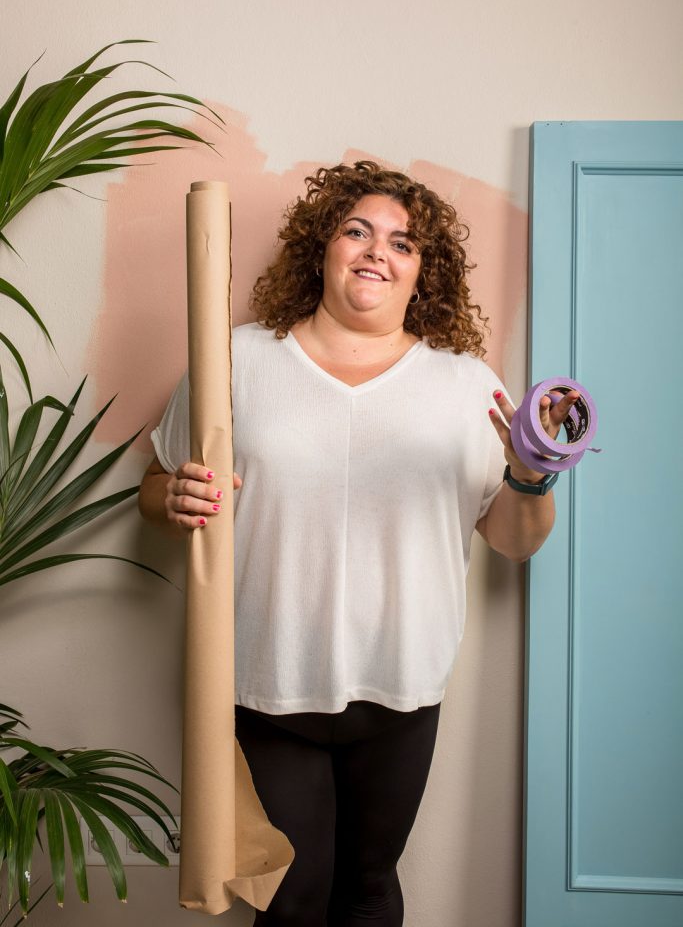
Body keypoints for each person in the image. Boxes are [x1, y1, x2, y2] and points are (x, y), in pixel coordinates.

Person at [138, 161, 576, 927]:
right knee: (291, 900)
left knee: (370, 889)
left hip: (401, 690)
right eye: (357, 231)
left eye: (401, 243)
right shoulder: (237, 359)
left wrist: (530, 475)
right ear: (323, 249)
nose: (377, 251)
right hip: (269, 683)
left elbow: (514, 542)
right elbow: (154, 486)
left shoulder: (465, 385)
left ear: (422, 271)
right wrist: (171, 497)